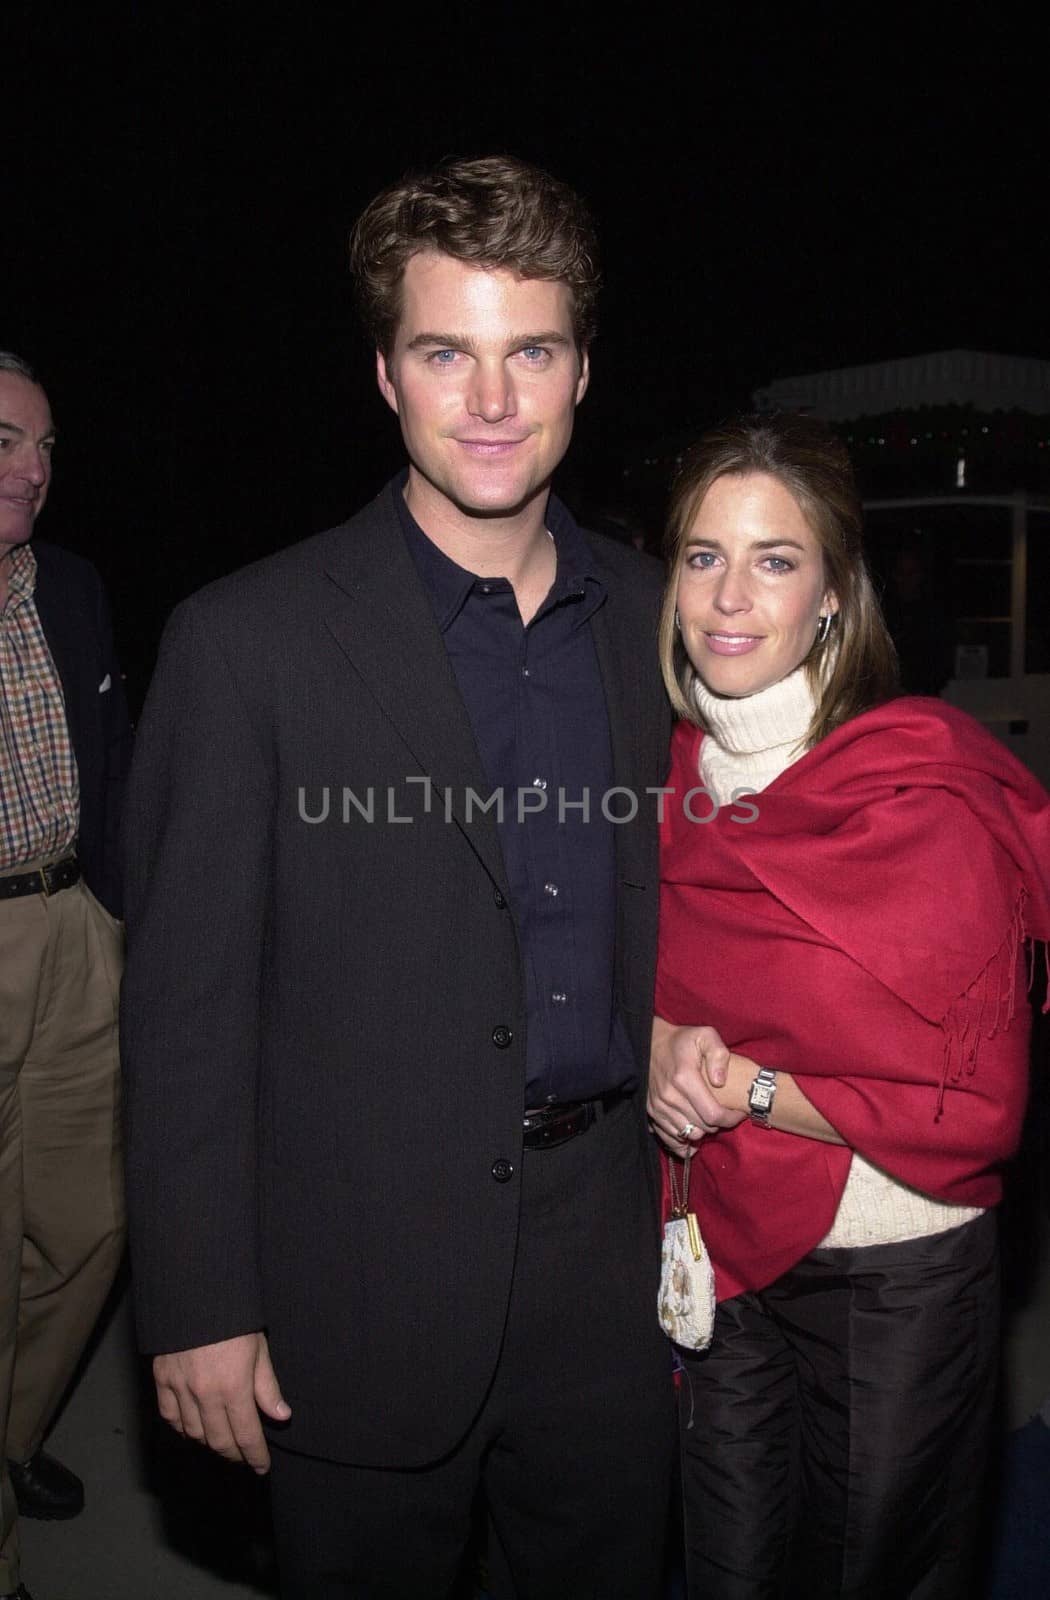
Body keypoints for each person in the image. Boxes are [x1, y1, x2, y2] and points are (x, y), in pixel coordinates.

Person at [120, 156, 675, 1598]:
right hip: (354, 1277)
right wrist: (196, 1306)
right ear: (384, 374)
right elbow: (185, 1012)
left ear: (580, 369)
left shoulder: (658, 626)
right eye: (446, 351)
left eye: (529, 350)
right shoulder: (246, 643)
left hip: (611, 1280)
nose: (491, 401)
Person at [646, 411, 1050, 1599]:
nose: (730, 595)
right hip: (721, 1253)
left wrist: (756, 1090)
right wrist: (667, 1040)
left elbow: (977, 1110)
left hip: (894, 1277)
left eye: (775, 559)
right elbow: (641, 980)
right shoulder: (667, 776)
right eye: (703, 555)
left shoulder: (916, 787)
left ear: (832, 593)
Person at [0, 352, 130, 1600]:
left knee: (94, 1226)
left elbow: (119, 765)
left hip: (75, 927)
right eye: (3, 441)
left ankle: (12, 1437)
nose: (31, 469)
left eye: (43, 448)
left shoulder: (73, 587)